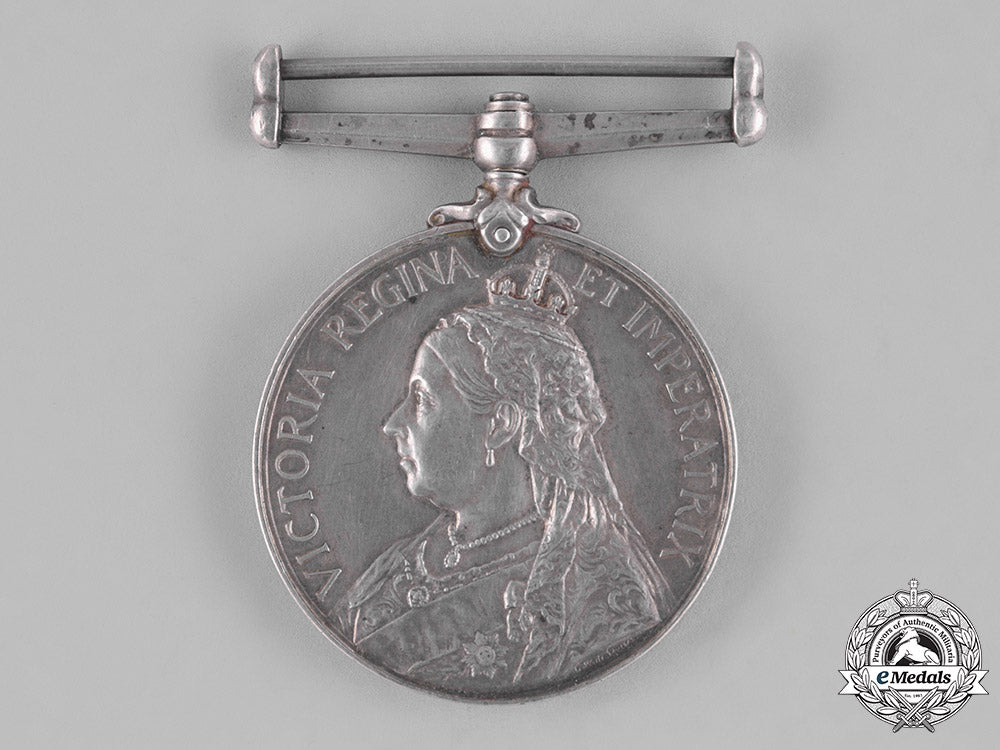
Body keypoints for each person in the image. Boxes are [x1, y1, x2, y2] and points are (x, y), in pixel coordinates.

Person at [336, 252, 671, 692]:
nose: (393, 425)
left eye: (421, 401)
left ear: (500, 424)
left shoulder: (597, 595)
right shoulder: (394, 566)